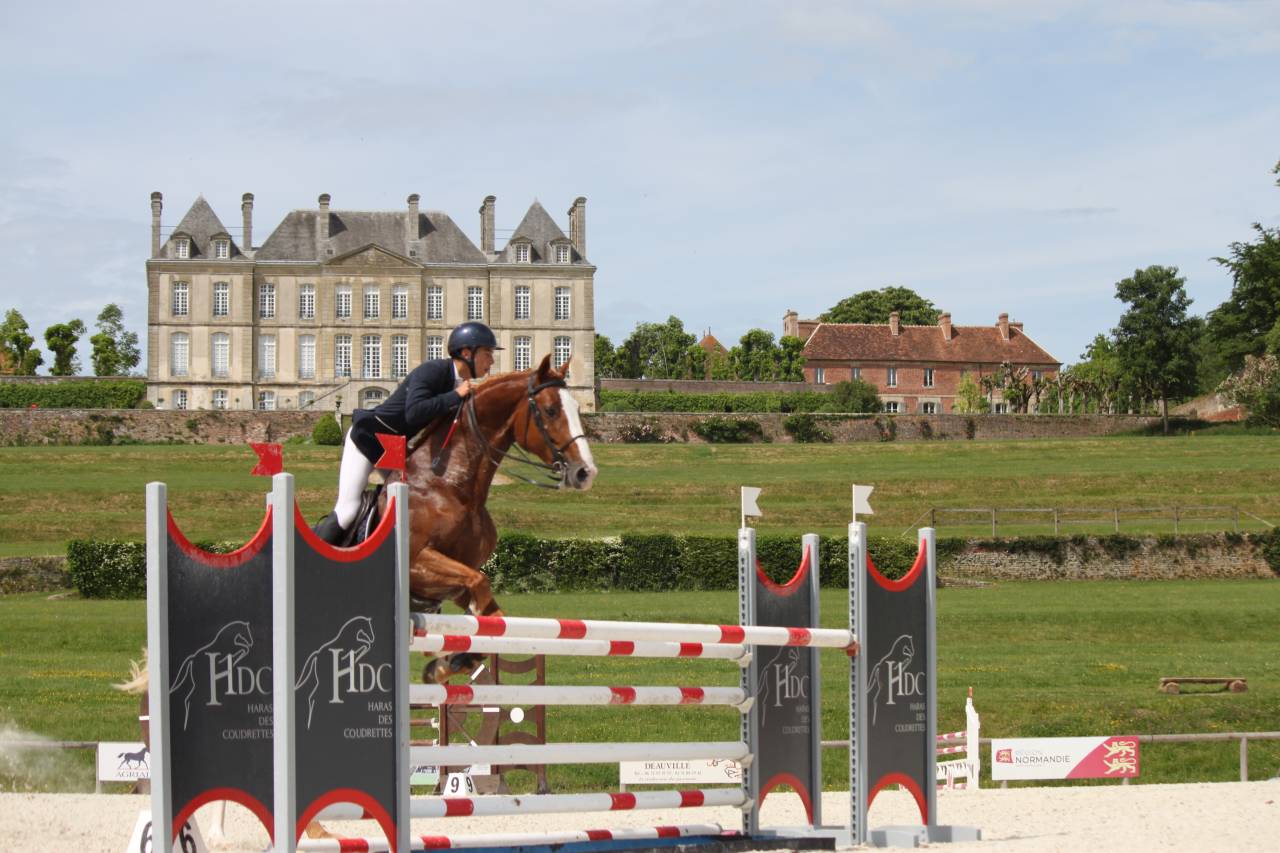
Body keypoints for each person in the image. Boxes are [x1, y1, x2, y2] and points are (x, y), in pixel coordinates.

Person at [313, 321, 502, 545]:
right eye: (487, 353)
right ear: (466, 353)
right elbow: (415, 413)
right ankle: (309, 554)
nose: (491, 360)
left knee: (412, 502)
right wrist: (456, 396)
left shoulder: (461, 384)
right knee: (348, 509)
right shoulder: (433, 371)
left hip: (394, 446)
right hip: (368, 437)